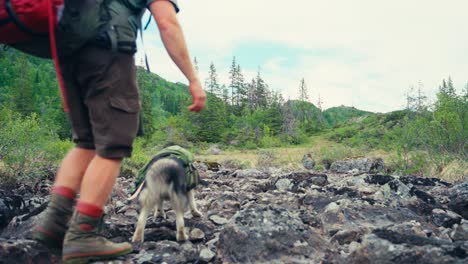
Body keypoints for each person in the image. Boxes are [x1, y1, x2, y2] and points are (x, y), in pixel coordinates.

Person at [31, 0, 206, 263]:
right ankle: (84, 235)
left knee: (85, 144)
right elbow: (167, 22)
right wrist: (193, 79)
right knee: (113, 146)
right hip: (108, 52)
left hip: (69, 55)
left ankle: (54, 222)